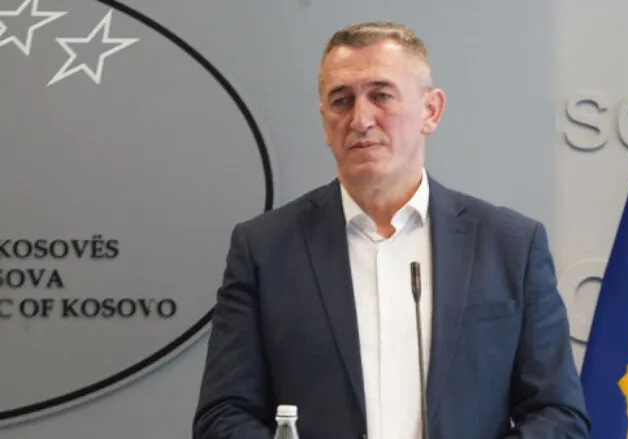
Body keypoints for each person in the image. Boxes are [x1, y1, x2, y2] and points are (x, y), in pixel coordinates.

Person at [192, 21, 590, 439]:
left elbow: (558, 415)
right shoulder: (264, 249)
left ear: (430, 111)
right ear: (325, 122)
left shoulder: (510, 246)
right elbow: (222, 415)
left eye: (381, 95)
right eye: (341, 100)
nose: (361, 119)